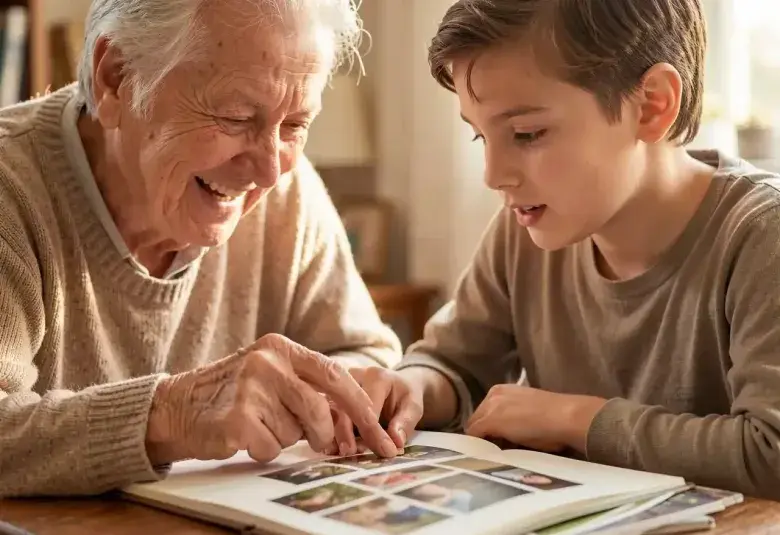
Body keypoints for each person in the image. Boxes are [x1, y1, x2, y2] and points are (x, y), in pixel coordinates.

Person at [351, 0, 780, 500]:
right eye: (479, 135)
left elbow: (769, 452)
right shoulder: (527, 229)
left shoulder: (760, 236)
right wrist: (413, 387)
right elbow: (456, 363)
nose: (494, 176)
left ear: (652, 105)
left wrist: (575, 417)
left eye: (527, 134)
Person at [0, 0, 403, 498]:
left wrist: (353, 388)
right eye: (235, 117)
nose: (270, 171)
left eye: (296, 125)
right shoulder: (11, 192)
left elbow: (363, 350)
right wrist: (172, 414)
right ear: (116, 78)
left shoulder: (286, 193)